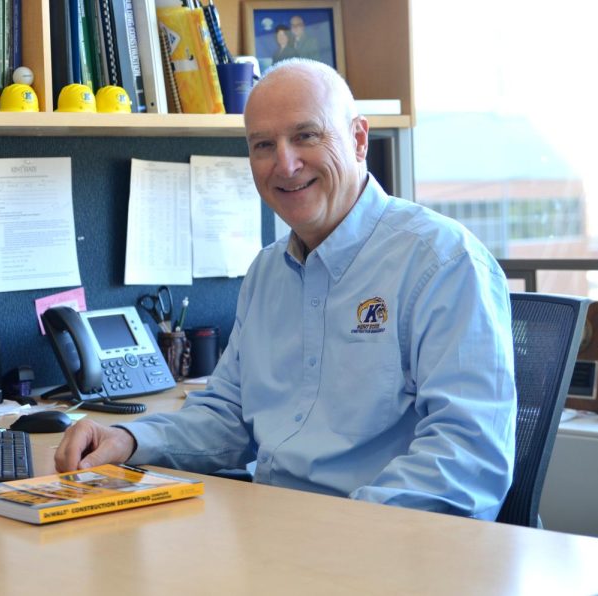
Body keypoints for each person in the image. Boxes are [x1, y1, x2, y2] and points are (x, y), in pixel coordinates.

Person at [55, 59, 516, 520]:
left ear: (358, 139)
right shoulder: (267, 272)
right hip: (276, 534)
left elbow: (466, 458)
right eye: (262, 145)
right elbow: (228, 418)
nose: (285, 164)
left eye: (306, 136)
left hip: (382, 548)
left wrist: (343, 534)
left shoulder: (442, 262)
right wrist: (130, 440)